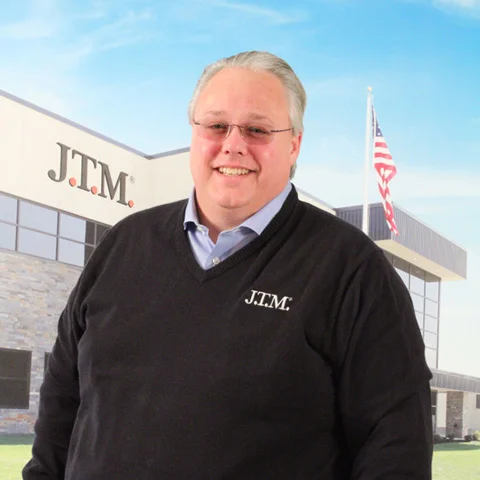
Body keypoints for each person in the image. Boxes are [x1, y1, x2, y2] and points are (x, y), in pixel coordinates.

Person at [23, 51, 433, 480]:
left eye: (257, 129)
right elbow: (60, 405)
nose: (233, 143)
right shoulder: (122, 245)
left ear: (293, 144)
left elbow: (394, 449)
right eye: (216, 125)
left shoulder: (352, 270)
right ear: (195, 134)